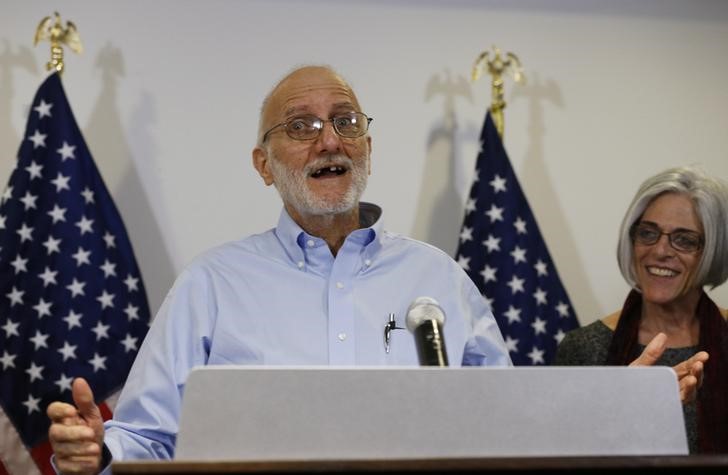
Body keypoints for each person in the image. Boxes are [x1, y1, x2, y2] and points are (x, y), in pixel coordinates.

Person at [46, 65, 512, 474]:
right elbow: (150, 438)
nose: (330, 141)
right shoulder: (211, 285)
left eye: (344, 122)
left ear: (367, 148)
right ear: (263, 165)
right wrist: (99, 453)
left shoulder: (439, 280)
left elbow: (506, 428)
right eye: (301, 126)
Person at [554, 165, 728, 453]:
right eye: (648, 233)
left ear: (713, 250)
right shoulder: (584, 347)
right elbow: (557, 461)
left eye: (684, 240)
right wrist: (624, 406)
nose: (660, 251)